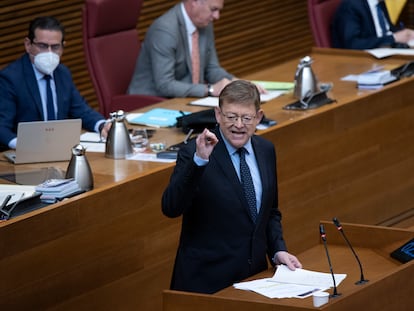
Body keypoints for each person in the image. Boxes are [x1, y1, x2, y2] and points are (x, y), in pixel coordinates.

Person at [162, 80, 302, 294]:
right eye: (231, 117)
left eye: (246, 118)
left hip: (254, 281)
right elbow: (171, 207)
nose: (238, 125)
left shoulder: (265, 150)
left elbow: (270, 212)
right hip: (205, 284)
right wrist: (199, 162)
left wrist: (277, 251)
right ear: (218, 115)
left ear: (259, 117)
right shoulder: (195, 153)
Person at [0, 16, 109, 150]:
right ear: (28, 45)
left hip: (58, 151)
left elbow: (80, 110)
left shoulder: (62, 73)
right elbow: (1, 127)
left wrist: (102, 125)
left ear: (63, 47)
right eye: (42, 46)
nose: (49, 53)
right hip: (24, 154)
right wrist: (22, 146)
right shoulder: (10, 78)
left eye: (55, 47)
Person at [127, 0, 236, 98]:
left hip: (184, 99)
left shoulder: (205, 24)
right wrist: (210, 89)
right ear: (194, 2)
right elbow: (165, 85)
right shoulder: (165, 30)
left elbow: (212, 69)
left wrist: (236, 83)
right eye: (213, 9)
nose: (217, 16)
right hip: (148, 103)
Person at [331, 0, 414, 50]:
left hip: (389, 50)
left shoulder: (380, 3)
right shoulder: (351, 6)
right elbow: (353, 44)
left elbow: (388, 30)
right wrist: (393, 38)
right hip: (364, 61)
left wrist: (407, 34)